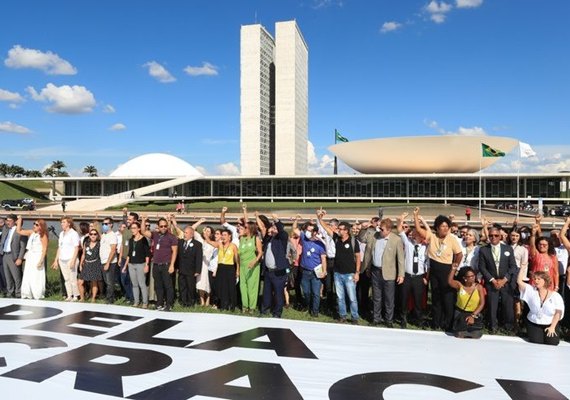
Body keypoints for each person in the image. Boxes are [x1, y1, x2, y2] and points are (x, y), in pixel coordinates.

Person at [414, 207, 463, 331]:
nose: (445, 228)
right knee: (436, 297)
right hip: (435, 270)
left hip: (447, 270)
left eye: (447, 226)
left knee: (447, 298)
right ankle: (436, 322)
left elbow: (459, 254)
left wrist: (454, 267)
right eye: (442, 226)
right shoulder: (432, 236)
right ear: (437, 227)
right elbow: (419, 230)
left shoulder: (451, 239)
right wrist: (416, 216)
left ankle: (448, 323)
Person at [358, 217, 404, 327]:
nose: (380, 231)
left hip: (389, 273)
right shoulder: (375, 237)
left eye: (382, 229)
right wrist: (368, 268)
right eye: (379, 228)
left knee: (389, 298)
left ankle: (389, 320)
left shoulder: (396, 239)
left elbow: (400, 259)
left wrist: (401, 274)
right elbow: (367, 249)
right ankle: (376, 318)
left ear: (389, 230)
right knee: (376, 297)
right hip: (375, 271)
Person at [478, 227, 519, 333]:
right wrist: (492, 280)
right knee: (492, 305)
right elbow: (482, 267)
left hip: (506, 282)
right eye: (491, 235)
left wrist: (504, 279)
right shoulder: (483, 250)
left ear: (500, 236)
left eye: (496, 235)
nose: (493, 237)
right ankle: (493, 326)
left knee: (508, 305)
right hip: (492, 282)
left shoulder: (508, 249)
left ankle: (508, 327)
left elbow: (513, 267)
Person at [397, 213, 428, 328]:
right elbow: (399, 230)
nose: (413, 236)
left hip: (419, 277)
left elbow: (429, 234)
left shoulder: (425, 247)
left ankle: (419, 319)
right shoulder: (408, 243)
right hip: (407, 276)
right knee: (404, 298)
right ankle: (403, 319)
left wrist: (421, 220)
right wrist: (401, 219)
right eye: (413, 234)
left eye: (416, 234)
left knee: (418, 300)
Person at [517, 270, 564, 345]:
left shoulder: (555, 296)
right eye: (535, 279)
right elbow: (519, 281)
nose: (536, 281)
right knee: (536, 342)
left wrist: (552, 327)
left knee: (552, 342)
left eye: (539, 279)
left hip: (550, 323)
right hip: (534, 322)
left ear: (545, 281)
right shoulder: (531, 291)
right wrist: (523, 266)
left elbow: (558, 312)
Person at [292, 218, 327, 318]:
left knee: (316, 293)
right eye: (307, 230)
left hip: (316, 272)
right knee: (306, 292)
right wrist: (296, 220)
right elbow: (294, 229)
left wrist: (324, 271)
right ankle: (308, 305)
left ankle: (314, 311)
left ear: (315, 232)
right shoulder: (304, 238)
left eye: (311, 230)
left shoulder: (320, 244)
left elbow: (323, 259)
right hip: (305, 271)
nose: (308, 232)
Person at [142, 216, 178, 311]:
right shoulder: (155, 235)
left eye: (165, 226)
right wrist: (143, 220)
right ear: (158, 226)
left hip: (166, 264)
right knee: (158, 286)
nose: (163, 228)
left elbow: (174, 252)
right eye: (161, 226)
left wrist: (172, 265)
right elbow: (143, 232)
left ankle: (169, 304)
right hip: (156, 264)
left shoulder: (172, 237)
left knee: (168, 286)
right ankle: (159, 303)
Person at [257, 212, 290, 318]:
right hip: (268, 271)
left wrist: (277, 220)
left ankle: (277, 312)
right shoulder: (269, 239)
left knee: (278, 293)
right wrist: (257, 217)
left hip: (278, 272)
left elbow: (281, 231)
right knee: (266, 292)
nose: (273, 229)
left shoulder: (282, 238)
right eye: (272, 228)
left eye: (275, 228)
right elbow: (263, 230)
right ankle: (264, 309)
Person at [205, 229, 239, 311]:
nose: (223, 237)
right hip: (221, 268)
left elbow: (237, 260)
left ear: (229, 236)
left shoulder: (233, 246)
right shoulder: (219, 245)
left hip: (230, 268)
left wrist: (237, 270)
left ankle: (232, 305)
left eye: (225, 235)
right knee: (220, 287)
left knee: (230, 287)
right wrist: (205, 234)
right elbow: (209, 241)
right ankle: (223, 305)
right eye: (222, 235)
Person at [448, 266, 485, 338]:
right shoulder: (459, 285)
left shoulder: (479, 287)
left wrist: (473, 316)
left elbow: (482, 303)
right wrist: (453, 270)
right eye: (470, 276)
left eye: (473, 276)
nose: (473, 278)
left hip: (474, 313)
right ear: (465, 278)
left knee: (477, 334)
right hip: (461, 313)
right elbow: (450, 282)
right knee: (459, 334)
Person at [16, 216, 48, 299]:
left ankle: (37, 293)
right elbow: (19, 231)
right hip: (30, 256)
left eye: (36, 224)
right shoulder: (31, 232)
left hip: (38, 256)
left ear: (41, 226)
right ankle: (27, 293)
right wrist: (19, 221)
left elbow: (44, 249)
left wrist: (41, 261)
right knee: (28, 274)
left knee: (36, 275)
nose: (34, 225)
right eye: (34, 223)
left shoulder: (43, 236)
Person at [52, 217, 80, 301]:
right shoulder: (61, 234)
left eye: (64, 222)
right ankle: (69, 295)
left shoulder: (73, 233)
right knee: (66, 279)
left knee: (72, 278)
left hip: (71, 258)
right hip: (62, 259)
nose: (62, 224)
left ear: (69, 223)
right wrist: (56, 260)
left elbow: (76, 248)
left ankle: (76, 296)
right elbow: (59, 247)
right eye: (61, 222)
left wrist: (73, 260)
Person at [0, 214, 28, 298]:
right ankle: (10, 292)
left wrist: (20, 258)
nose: (7, 222)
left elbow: (23, 247)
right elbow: (2, 223)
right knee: (7, 276)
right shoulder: (6, 229)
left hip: (14, 256)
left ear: (15, 221)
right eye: (7, 220)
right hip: (5, 255)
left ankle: (18, 292)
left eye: (9, 221)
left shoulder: (20, 231)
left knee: (16, 276)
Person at [238, 219, 262, 313]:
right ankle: (245, 306)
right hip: (243, 266)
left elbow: (260, 252)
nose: (243, 228)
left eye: (245, 227)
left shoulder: (255, 239)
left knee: (252, 287)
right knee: (243, 286)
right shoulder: (242, 239)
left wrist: (254, 261)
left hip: (252, 266)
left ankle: (252, 307)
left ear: (250, 229)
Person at [125, 222, 150, 308]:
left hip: (141, 264)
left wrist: (147, 265)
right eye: (132, 228)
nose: (132, 230)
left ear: (139, 229)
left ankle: (145, 302)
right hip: (131, 264)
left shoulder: (144, 240)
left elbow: (147, 254)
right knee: (134, 284)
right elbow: (129, 253)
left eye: (134, 228)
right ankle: (136, 301)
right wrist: (125, 265)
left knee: (142, 284)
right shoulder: (131, 240)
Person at [177, 225, 202, 307]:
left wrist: (198, 270)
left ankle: (191, 302)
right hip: (181, 269)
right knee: (182, 286)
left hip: (191, 270)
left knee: (190, 287)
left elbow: (199, 258)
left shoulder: (197, 244)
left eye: (186, 233)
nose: (184, 234)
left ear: (191, 234)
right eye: (184, 232)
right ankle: (183, 301)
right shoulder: (180, 242)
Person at [529, 222, 559, 291]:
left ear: (549, 246)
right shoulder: (536, 254)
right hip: (535, 284)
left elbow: (556, 273)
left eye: (544, 245)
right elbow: (532, 245)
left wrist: (556, 286)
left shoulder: (553, 257)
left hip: (549, 285)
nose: (542, 246)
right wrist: (533, 234)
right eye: (540, 244)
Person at [79, 229, 104, 302]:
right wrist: (81, 264)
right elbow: (83, 254)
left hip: (95, 264)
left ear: (97, 235)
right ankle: (82, 298)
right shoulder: (86, 243)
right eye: (91, 234)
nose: (93, 235)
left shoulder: (99, 244)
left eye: (95, 234)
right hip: (86, 264)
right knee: (80, 282)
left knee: (94, 282)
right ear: (89, 235)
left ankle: (93, 298)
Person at [100, 217, 118, 304]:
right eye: (103, 224)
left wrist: (108, 263)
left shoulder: (113, 235)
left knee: (110, 282)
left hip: (110, 262)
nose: (104, 225)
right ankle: (108, 296)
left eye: (106, 224)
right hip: (102, 261)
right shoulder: (104, 235)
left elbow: (113, 250)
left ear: (111, 225)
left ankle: (110, 299)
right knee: (106, 281)